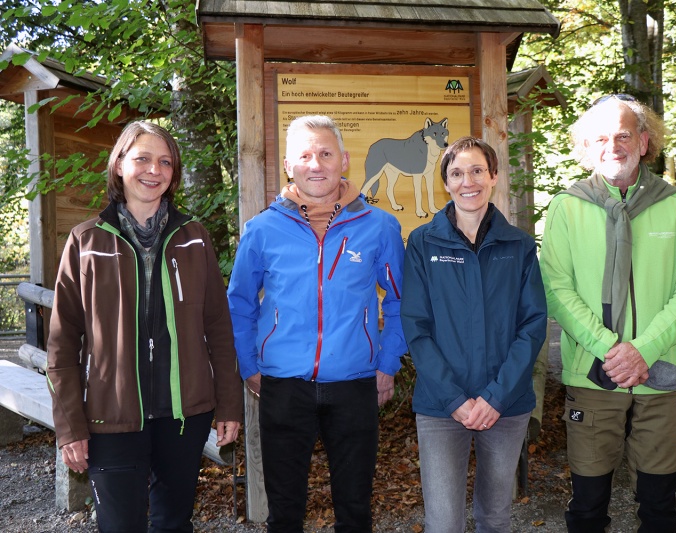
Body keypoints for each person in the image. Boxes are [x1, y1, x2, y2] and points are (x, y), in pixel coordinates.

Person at [47, 121, 243, 532]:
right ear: (119, 165)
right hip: (110, 416)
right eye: (142, 158)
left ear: (174, 173)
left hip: (184, 415)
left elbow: (219, 330)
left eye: (165, 161)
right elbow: (62, 345)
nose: (154, 169)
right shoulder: (86, 241)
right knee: (120, 526)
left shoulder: (194, 238)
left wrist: (228, 404)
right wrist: (70, 427)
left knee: (174, 524)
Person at [539, 95, 676, 532]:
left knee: (659, 509)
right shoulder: (566, 206)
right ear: (585, 147)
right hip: (593, 377)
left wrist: (644, 350)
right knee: (588, 510)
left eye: (622, 134)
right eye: (600, 137)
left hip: (660, 374)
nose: (612, 145)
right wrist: (610, 349)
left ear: (644, 140)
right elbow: (556, 288)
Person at [227, 115, 407, 532]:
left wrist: (387, 362)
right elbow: (239, 303)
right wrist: (249, 365)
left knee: (355, 508)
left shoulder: (379, 227)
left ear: (343, 160)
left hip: (355, 382)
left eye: (325, 153)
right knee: (285, 512)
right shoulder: (262, 229)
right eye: (305, 155)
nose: (316, 163)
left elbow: (401, 299)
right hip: (284, 383)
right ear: (289, 165)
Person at [401, 136, 548, 532]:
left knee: (495, 517)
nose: (468, 180)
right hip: (441, 405)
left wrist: (495, 396)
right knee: (444, 522)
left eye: (477, 170)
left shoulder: (517, 245)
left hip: (506, 403)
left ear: (494, 176)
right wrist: (455, 399)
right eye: (457, 172)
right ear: (446, 183)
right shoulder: (422, 242)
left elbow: (532, 325)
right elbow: (415, 326)